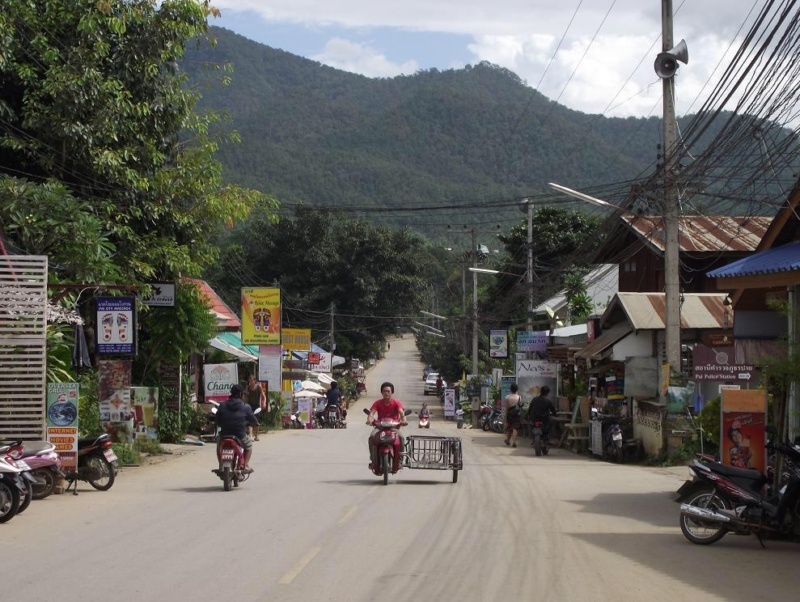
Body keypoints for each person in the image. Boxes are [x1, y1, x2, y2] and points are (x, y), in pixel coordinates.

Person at [216, 384, 259, 472]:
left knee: (219, 447)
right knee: (249, 446)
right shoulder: (246, 406)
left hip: (224, 434)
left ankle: (221, 464)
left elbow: (217, 420)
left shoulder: (222, 405)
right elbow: (253, 420)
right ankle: (245, 465)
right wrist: (256, 423)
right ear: (240, 394)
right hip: (240, 435)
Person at [366, 382, 407, 468]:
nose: (386, 393)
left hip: (393, 427)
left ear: (392, 392)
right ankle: (373, 458)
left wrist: (404, 420)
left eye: (388, 391)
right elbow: (372, 413)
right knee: (372, 436)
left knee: (401, 437)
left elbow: (401, 412)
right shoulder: (377, 403)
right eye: (384, 391)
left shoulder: (396, 403)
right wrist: (369, 419)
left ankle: (400, 459)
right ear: (381, 392)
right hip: (380, 427)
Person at [246, 374, 267, 441]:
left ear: (254, 381)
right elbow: (245, 397)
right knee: (250, 422)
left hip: (257, 406)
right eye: (249, 380)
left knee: (256, 422)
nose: (250, 382)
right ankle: (250, 436)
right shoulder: (248, 388)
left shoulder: (258, 387)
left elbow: (264, 396)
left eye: (251, 380)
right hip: (249, 406)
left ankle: (256, 436)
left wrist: (264, 403)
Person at [503, 383, 523, 448]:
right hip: (517, 414)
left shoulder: (507, 397)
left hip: (510, 414)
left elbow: (506, 408)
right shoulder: (519, 397)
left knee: (509, 427)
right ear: (517, 389)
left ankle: (508, 440)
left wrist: (505, 417)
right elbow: (520, 406)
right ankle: (514, 442)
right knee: (515, 428)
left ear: (510, 389)